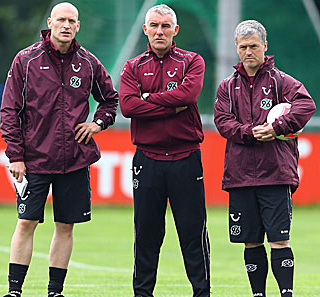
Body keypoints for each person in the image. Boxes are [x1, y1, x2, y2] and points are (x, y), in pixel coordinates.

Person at [0, 2, 118, 297]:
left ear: (78, 26)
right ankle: (15, 292)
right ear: (50, 22)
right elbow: (9, 110)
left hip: (74, 160)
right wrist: (15, 155)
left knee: (66, 226)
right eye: (61, 20)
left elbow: (110, 100)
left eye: (72, 21)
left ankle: (55, 292)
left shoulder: (88, 62)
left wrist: (98, 124)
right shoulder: (25, 60)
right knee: (26, 223)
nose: (66, 25)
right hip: (35, 160)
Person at [214, 20, 315, 297]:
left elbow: (307, 104)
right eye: (243, 46)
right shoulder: (227, 86)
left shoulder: (281, 81)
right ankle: (258, 294)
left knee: (280, 240)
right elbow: (222, 123)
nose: (249, 52)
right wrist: (252, 132)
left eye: (254, 46)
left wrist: (277, 128)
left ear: (265, 46)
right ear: (236, 48)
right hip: (240, 175)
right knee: (250, 242)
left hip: (276, 174)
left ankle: (286, 293)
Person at [119, 4, 210, 297]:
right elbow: (127, 106)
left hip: (186, 158)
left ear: (175, 30)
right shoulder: (132, 66)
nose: (160, 31)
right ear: (145, 29)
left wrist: (148, 99)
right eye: (154, 26)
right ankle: (142, 294)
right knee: (146, 234)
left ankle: (202, 293)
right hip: (148, 160)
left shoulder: (192, 61)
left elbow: (189, 95)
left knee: (192, 233)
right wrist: (169, 106)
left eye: (166, 26)